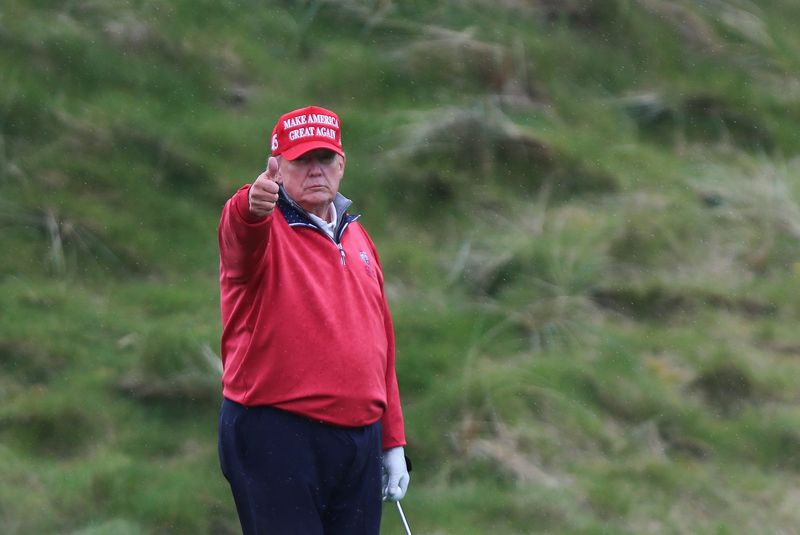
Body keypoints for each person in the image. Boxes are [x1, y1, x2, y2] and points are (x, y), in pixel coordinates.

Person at [216, 105, 409, 534]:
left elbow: (381, 345)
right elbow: (239, 229)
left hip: (359, 437)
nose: (315, 170)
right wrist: (251, 203)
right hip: (275, 432)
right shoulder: (262, 225)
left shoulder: (358, 236)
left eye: (324, 158)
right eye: (301, 159)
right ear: (279, 168)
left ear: (341, 164)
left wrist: (392, 439)